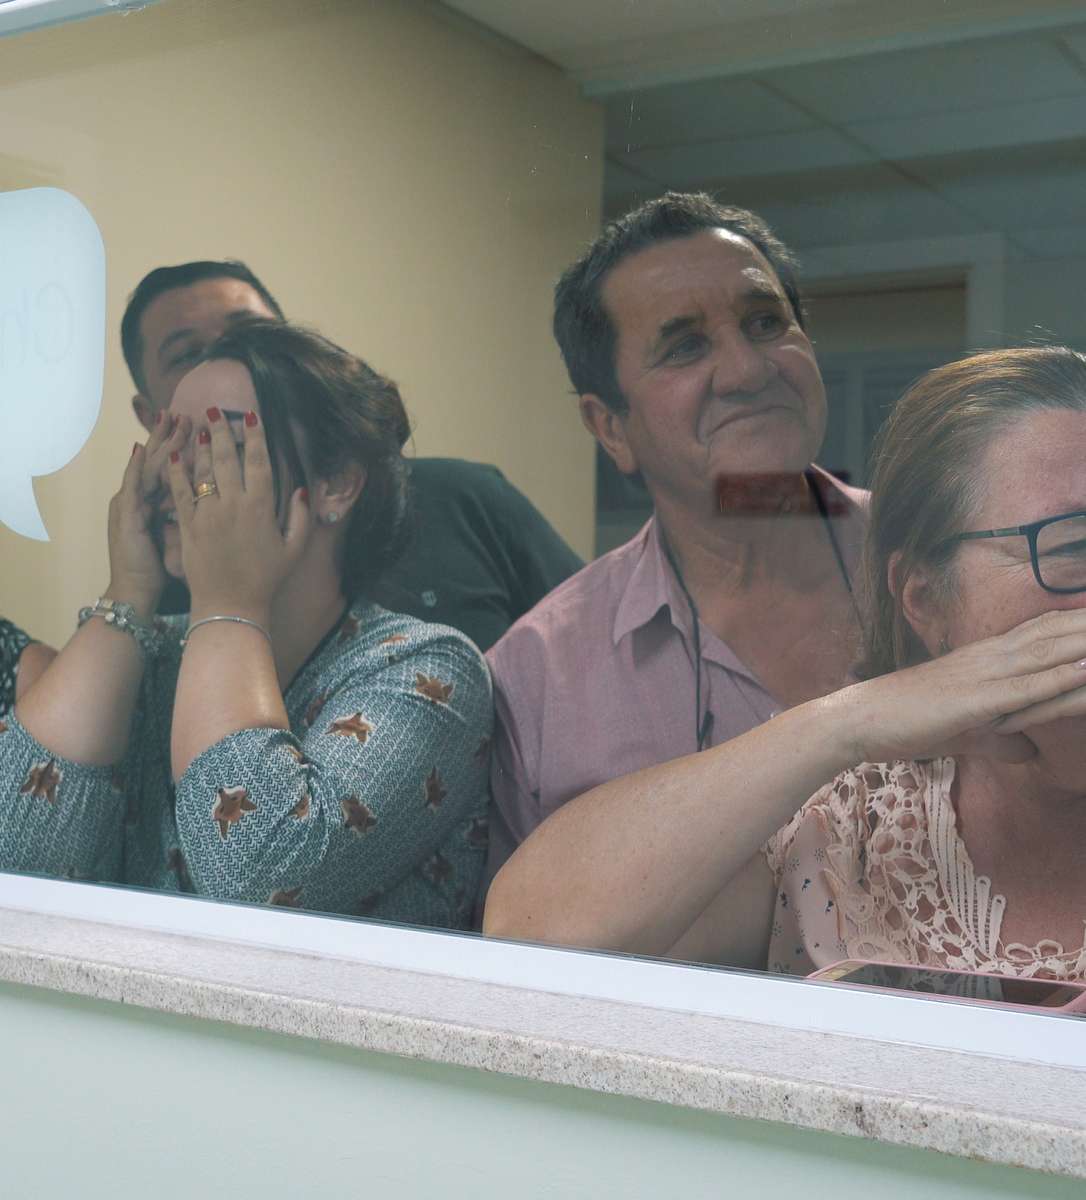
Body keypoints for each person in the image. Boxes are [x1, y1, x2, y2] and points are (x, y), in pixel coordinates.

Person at [486, 346, 1086, 1024]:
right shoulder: (848, 833)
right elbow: (526, 935)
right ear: (925, 601)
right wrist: (843, 722)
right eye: (1075, 544)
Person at [0, 320, 491, 927]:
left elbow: (256, 878)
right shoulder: (152, 654)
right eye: (169, 438)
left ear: (336, 483)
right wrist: (129, 589)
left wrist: (228, 599)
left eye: (221, 441)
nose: (174, 469)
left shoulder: (424, 667)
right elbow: (16, 868)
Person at [483, 192, 866, 883]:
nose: (748, 371)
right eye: (685, 346)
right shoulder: (534, 682)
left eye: (766, 322)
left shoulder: (949, 559)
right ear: (610, 428)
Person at [122, 260, 583, 648]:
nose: (227, 357)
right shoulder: (167, 575)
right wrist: (128, 590)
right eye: (188, 353)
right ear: (151, 416)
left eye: (254, 334)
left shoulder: (465, 501)